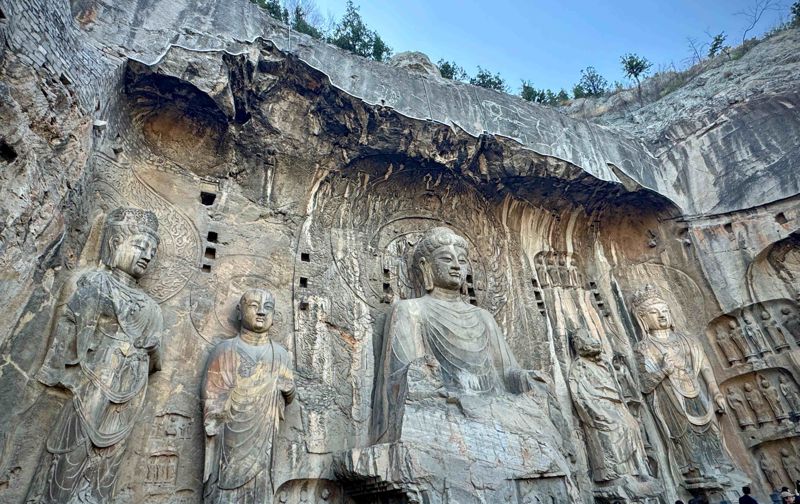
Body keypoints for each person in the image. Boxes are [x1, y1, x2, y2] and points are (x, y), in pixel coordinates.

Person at [27, 207, 164, 503]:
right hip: (91, 382)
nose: (147, 256)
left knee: (108, 463)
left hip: (128, 393)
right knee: (72, 450)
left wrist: (151, 350)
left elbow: (157, 361)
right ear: (115, 244)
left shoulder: (151, 307)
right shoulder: (90, 281)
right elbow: (64, 335)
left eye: (152, 251)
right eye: (140, 245)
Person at [371, 227, 549, 442]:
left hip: (493, 404)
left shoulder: (484, 317)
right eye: (446, 259)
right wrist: (428, 378)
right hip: (445, 406)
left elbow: (505, 372)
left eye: (462, 260)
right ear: (425, 266)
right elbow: (402, 375)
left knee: (537, 412)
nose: (456, 266)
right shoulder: (410, 310)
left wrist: (526, 378)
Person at [631, 284, 734, 483]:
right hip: (669, 397)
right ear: (643, 319)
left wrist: (715, 391)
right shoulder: (644, 347)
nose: (661, 316)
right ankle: (694, 469)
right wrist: (664, 370)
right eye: (654, 312)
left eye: (664, 310)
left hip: (696, 390)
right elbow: (644, 384)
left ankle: (719, 463)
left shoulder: (687, 339)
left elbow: (704, 366)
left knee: (710, 430)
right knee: (683, 432)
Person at [202, 288, 296, 503]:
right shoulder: (225, 350)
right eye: (254, 306)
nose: (261, 312)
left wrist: (287, 390)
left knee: (260, 485)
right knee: (224, 488)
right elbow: (211, 395)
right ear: (239, 311)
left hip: (264, 436)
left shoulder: (280, 354)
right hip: (230, 437)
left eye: (268, 307)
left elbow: (289, 391)